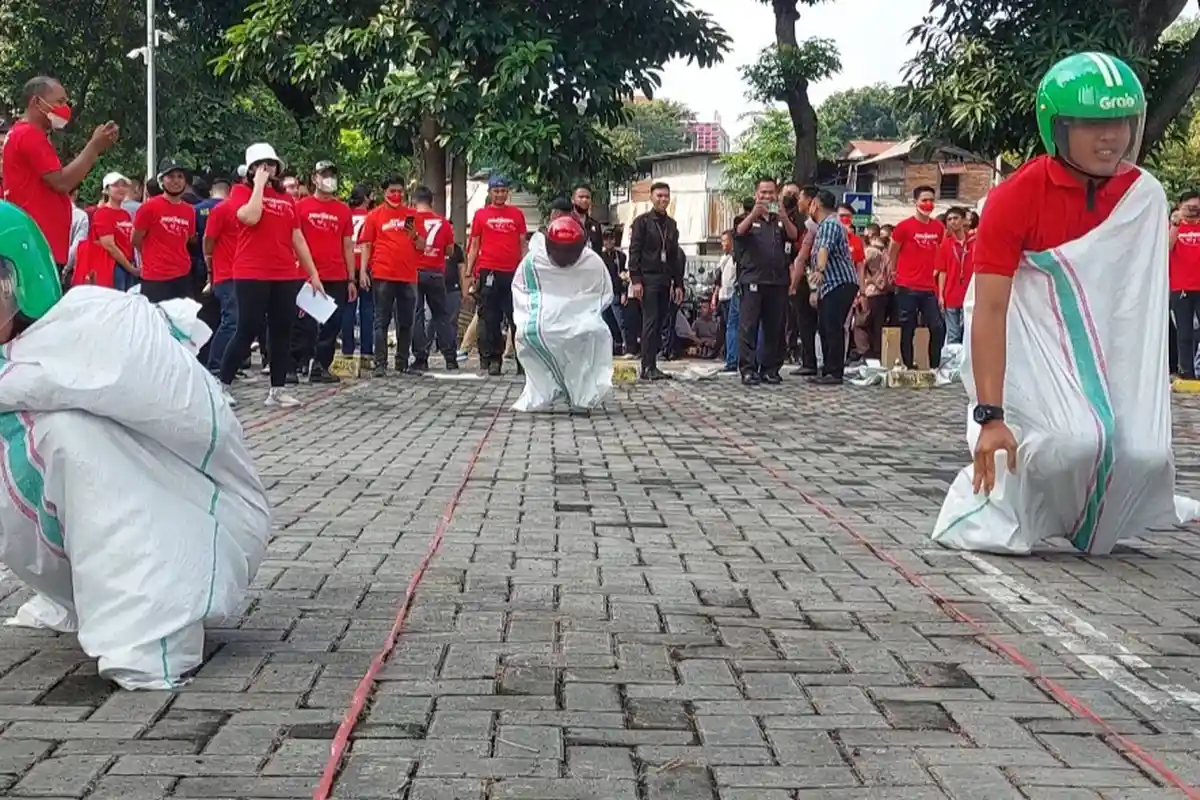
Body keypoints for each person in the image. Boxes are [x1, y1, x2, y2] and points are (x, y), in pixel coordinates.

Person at [0, 200, 269, 690]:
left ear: (23, 284)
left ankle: (147, 629)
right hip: (71, 549)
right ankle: (86, 596)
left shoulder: (92, 331)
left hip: (209, 524)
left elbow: (188, 419)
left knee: (69, 439)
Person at [934, 51, 1183, 556]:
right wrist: (989, 415)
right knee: (1071, 444)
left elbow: (1136, 306)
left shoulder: (1146, 197)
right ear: (1058, 127)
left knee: (1147, 453)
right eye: (1093, 124)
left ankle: (1089, 520)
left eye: (1119, 122)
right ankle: (993, 506)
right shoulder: (1013, 199)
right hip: (1032, 355)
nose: (1110, 137)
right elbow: (991, 308)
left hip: (1106, 353)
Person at [218, 143, 325, 408]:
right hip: (251, 271)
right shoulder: (240, 192)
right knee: (247, 328)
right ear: (252, 169)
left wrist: (313, 273)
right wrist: (258, 186)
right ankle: (222, 384)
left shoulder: (287, 199)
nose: (269, 169)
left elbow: (297, 237)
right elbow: (251, 217)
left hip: (284, 272)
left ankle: (277, 389)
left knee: (281, 331)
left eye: (272, 164)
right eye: (262, 164)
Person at [2, 77, 117, 272]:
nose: (65, 108)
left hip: (34, 243)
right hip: (35, 244)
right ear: (36, 102)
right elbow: (62, 182)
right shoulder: (29, 134)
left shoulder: (24, 134)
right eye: (60, 101)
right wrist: (94, 147)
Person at [512, 215, 614, 411]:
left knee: (593, 331)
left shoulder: (592, 262)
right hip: (545, 317)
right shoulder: (534, 261)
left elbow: (600, 295)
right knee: (526, 334)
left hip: (580, 315)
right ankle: (549, 385)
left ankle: (579, 391)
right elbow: (523, 291)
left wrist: (579, 312)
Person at [734, 178, 798, 385]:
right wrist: (754, 214)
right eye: (763, 192)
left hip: (777, 281)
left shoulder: (780, 220)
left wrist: (784, 217)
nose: (767, 196)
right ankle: (747, 369)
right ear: (756, 194)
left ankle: (770, 368)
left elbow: (794, 235)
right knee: (748, 327)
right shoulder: (745, 219)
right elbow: (738, 232)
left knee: (775, 328)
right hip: (752, 279)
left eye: (771, 192)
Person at [297, 160, 356, 383]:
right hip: (308, 275)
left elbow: (348, 245)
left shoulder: (343, 210)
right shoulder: (301, 207)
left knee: (333, 323)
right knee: (306, 324)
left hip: (336, 275)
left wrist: (352, 278)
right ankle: (300, 362)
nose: (328, 179)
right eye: (323, 174)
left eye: (331, 174)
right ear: (314, 178)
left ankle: (321, 365)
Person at [360, 176, 425, 378]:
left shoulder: (412, 215)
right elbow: (366, 245)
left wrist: (414, 234)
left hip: (408, 276)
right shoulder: (374, 216)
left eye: (399, 191)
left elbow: (422, 246)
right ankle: (380, 363)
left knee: (406, 321)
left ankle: (402, 361)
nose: (396, 195)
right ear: (384, 192)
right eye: (392, 191)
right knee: (381, 320)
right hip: (382, 274)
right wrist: (363, 270)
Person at [467, 175, 527, 376]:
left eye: (503, 190)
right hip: (489, 270)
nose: (500, 194)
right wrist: (469, 271)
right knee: (490, 318)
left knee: (516, 317)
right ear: (490, 192)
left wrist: (525, 268)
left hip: (512, 273)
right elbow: (474, 244)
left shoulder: (517, 214)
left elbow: (522, 244)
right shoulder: (480, 215)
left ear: (507, 192)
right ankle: (494, 359)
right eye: (496, 191)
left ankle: (523, 360)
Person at [628, 181, 684, 381]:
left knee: (660, 322)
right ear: (651, 198)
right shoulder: (642, 222)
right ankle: (647, 366)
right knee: (650, 322)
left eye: (666, 196)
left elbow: (674, 256)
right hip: (647, 277)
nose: (663, 199)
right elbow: (634, 251)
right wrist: (636, 279)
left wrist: (678, 283)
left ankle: (653, 364)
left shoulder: (671, 225)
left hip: (664, 278)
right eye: (659, 196)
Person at [889, 186, 946, 369]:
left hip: (928, 287)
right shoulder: (904, 227)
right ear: (916, 202)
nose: (928, 204)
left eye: (931, 199)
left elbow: (941, 252)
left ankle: (935, 366)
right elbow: (893, 252)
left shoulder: (938, 227)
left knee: (937, 327)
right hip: (907, 286)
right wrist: (893, 272)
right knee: (908, 328)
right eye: (924, 200)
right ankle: (908, 365)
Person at [807, 190, 859, 384]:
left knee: (832, 327)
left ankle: (834, 372)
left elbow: (824, 249)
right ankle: (829, 368)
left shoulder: (829, 223)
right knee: (825, 326)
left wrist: (820, 270)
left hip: (840, 282)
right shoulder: (827, 224)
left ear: (815, 205)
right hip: (832, 285)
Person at [133, 158, 197, 303]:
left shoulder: (189, 211)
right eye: (171, 176)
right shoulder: (149, 208)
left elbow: (189, 238)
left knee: (183, 322)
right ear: (162, 180)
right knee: (156, 322)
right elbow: (136, 240)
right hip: (155, 278)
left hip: (182, 275)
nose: (176, 181)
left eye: (180, 176)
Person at [409, 185, 457, 371]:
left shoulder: (409, 220)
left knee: (417, 316)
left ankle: (420, 358)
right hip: (436, 272)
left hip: (414, 272)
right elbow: (451, 250)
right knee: (442, 315)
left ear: (414, 202)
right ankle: (450, 357)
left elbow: (405, 244)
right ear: (432, 202)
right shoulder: (443, 222)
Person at [203, 185, 240, 375]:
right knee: (232, 321)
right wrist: (211, 270)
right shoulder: (223, 210)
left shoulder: (253, 210)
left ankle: (229, 364)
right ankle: (216, 364)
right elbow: (208, 241)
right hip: (226, 274)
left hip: (244, 274)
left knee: (239, 323)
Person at [79, 172, 137, 290]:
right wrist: (130, 268)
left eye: (124, 185)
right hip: (111, 267)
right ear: (106, 190)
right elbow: (109, 245)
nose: (121, 188)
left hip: (127, 265)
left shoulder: (125, 214)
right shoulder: (103, 213)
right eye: (116, 185)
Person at [342, 184, 374, 363]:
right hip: (366, 265)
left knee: (348, 308)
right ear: (366, 198)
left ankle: (347, 350)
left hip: (347, 265)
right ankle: (366, 352)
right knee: (367, 310)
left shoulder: (345, 215)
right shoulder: (371, 217)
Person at [935, 206, 975, 346]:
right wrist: (941, 294)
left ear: (964, 220)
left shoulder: (974, 242)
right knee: (953, 334)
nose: (953, 222)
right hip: (951, 293)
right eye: (949, 219)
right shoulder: (946, 244)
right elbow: (942, 270)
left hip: (970, 294)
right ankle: (952, 365)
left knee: (968, 334)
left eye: (956, 218)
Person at [600, 228, 627, 356]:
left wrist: (623, 292)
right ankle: (610, 346)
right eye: (606, 239)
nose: (608, 242)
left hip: (616, 291)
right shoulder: (600, 257)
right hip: (604, 293)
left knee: (620, 320)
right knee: (606, 320)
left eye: (611, 239)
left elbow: (622, 275)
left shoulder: (620, 256)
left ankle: (624, 344)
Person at [571, 184, 605, 253]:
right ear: (572, 200)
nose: (584, 200)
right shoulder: (566, 223)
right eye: (581, 197)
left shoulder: (596, 225)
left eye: (587, 197)